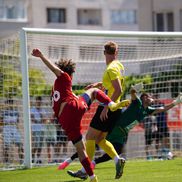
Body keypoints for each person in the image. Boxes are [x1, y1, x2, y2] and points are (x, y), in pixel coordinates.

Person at [31, 48, 129, 182]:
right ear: (69, 73)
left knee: (81, 150)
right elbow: (55, 70)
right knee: (94, 91)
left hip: (64, 121)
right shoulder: (64, 77)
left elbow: (61, 101)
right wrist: (41, 56)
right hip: (73, 107)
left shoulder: (55, 88)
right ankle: (111, 104)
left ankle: (92, 177)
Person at [63, 83, 182, 180]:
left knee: (115, 149)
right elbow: (132, 93)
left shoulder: (148, 110)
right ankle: (80, 164)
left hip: (121, 134)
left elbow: (163, 109)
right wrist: (134, 89)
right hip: (114, 128)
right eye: (149, 96)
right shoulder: (138, 103)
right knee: (93, 142)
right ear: (144, 98)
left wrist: (176, 103)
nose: (152, 98)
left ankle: (91, 165)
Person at [66, 41, 127, 180]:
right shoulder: (118, 65)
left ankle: (85, 170)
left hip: (108, 108)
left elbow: (118, 90)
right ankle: (118, 160)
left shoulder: (110, 68)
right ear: (116, 52)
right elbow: (112, 84)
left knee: (89, 137)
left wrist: (106, 106)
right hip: (115, 109)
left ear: (104, 52)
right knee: (100, 139)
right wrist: (98, 85)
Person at [0, 99, 24, 165]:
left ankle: (22, 161)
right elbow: (0, 122)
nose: (10, 104)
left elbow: (17, 122)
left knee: (20, 145)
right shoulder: (3, 112)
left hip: (14, 129)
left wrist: (17, 129)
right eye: (8, 103)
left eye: (11, 103)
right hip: (6, 129)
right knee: (6, 147)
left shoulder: (16, 112)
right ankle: (7, 163)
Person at [31, 96, 46, 164]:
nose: (39, 102)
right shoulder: (32, 110)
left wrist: (40, 120)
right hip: (35, 130)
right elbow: (32, 119)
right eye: (37, 101)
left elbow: (44, 120)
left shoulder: (43, 110)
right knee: (35, 144)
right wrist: (40, 120)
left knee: (40, 145)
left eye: (40, 101)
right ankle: (32, 158)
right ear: (36, 101)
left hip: (42, 129)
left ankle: (38, 159)